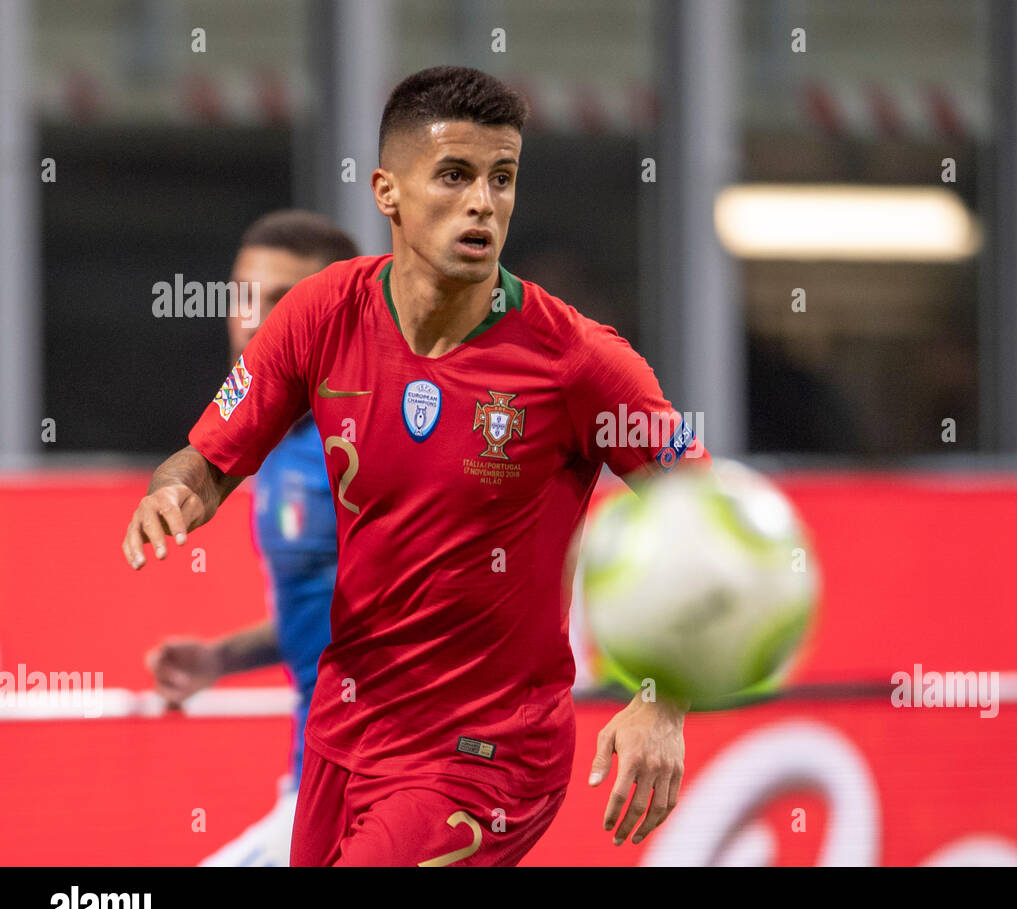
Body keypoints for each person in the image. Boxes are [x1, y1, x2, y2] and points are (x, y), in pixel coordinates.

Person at [121, 65, 709, 866]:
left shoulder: (576, 361)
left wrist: (662, 700)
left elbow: (706, 511)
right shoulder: (322, 315)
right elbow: (207, 460)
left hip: (485, 757)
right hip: (344, 737)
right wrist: (175, 493)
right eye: (456, 176)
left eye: (503, 179)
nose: (484, 203)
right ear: (387, 193)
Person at [144, 210, 358, 865]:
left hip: (369, 792)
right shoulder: (273, 443)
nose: (252, 319)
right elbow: (336, 610)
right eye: (243, 296)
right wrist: (223, 658)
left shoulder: (366, 444)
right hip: (311, 785)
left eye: (281, 302)